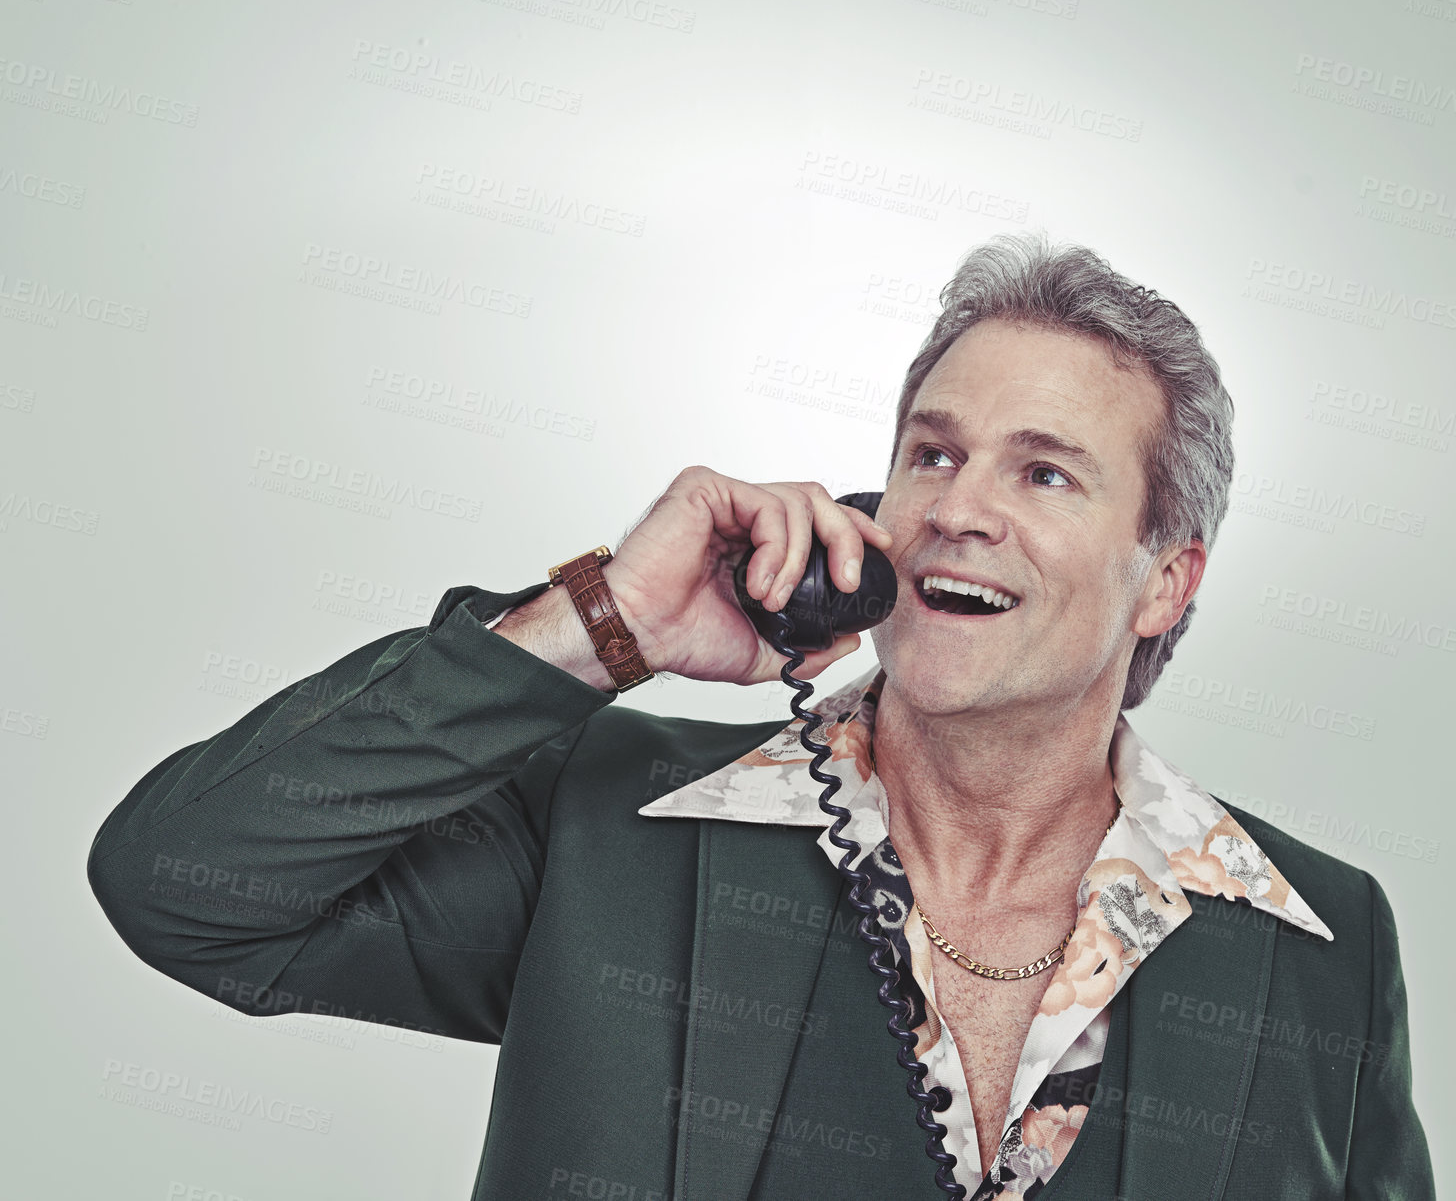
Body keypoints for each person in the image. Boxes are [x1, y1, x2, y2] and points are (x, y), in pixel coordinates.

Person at [87, 232, 1434, 1200]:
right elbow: (189, 887)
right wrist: (606, 622)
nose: (961, 505)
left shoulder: (1323, 946)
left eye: (1045, 472)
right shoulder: (609, 828)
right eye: (934, 453)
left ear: (1165, 581)